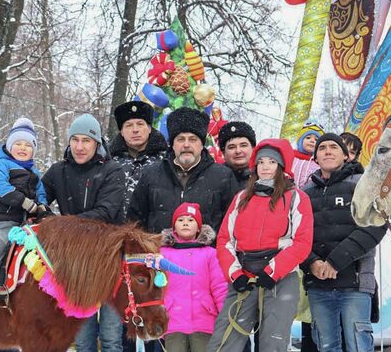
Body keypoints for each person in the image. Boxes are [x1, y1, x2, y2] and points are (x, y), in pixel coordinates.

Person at [207, 138, 314, 352]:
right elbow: (225, 240)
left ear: (281, 166)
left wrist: (273, 271)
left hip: (279, 278)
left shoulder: (296, 198)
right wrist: (235, 274)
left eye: (272, 162)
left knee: (272, 343)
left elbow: (302, 242)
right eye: (262, 161)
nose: (266, 166)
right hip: (244, 276)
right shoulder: (241, 198)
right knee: (224, 341)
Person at [42, 113, 126, 351]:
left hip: (108, 261)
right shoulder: (58, 171)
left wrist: (61, 225)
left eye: (86, 141)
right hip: (75, 265)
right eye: (75, 140)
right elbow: (38, 202)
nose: (79, 147)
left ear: (97, 143)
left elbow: (105, 213)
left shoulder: (112, 170)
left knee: (110, 338)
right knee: (81, 339)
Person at [301, 133, 387, 352]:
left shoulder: (363, 184)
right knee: (326, 346)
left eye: (334, 147)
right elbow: (296, 236)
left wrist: (334, 263)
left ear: (346, 156)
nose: (327, 151)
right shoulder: (304, 193)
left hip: (355, 284)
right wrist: (312, 263)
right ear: (315, 158)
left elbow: (375, 225)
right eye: (322, 148)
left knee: (359, 346)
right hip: (318, 284)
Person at [0, 117, 48, 308]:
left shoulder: (34, 172)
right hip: (5, 219)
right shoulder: (1, 165)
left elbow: (41, 192)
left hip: (26, 222)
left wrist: (43, 208)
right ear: (10, 146)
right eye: (18, 144)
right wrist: (23, 202)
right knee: (0, 241)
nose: (22, 148)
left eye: (28, 145)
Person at [128, 107, 238, 234]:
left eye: (192, 139)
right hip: (158, 251)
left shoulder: (223, 176)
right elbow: (135, 222)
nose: (186, 145)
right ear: (172, 144)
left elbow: (232, 224)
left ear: (201, 144)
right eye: (180, 139)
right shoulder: (151, 174)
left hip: (208, 253)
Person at [160, 202, 228, 352]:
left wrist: (224, 316)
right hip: (173, 321)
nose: (185, 223)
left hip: (204, 320)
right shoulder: (163, 254)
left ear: (199, 227)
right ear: (173, 227)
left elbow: (219, 287)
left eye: (190, 220)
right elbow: (156, 286)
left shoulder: (210, 253)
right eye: (180, 220)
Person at [109, 101, 167, 221]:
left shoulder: (166, 161)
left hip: (151, 234)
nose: (135, 130)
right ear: (122, 132)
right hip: (114, 233)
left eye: (140, 124)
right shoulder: (109, 161)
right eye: (129, 125)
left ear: (149, 128)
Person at [218, 121, 256, 190]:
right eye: (231, 147)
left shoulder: (265, 177)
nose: (238, 151)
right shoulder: (214, 177)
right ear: (223, 153)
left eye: (243, 145)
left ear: (253, 148)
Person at [292, 122, 324, 188]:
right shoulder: (290, 157)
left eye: (316, 140)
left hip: (307, 195)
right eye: (308, 138)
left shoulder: (319, 163)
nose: (312, 141)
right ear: (300, 140)